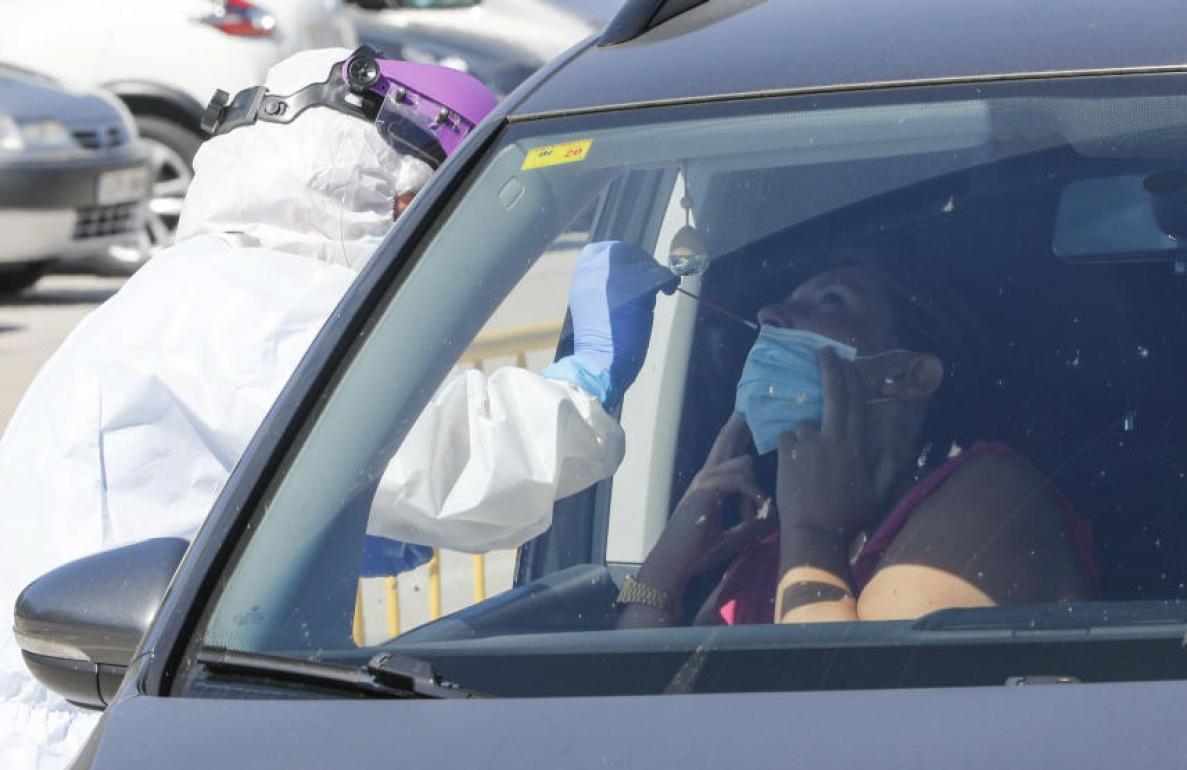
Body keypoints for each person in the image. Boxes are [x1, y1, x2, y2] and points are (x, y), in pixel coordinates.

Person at [0, 46, 673, 770]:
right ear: (387, 195)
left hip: (136, 701)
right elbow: (464, 459)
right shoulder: (252, 300)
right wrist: (589, 381)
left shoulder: (202, 285)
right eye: (426, 212)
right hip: (103, 730)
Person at [618, 254, 1098, 629]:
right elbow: (649, 708)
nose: (769, 314)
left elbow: (850, 715)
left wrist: (816, 537)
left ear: (910, 375)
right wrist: (669, 561)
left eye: (830, 301)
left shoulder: (991, 493)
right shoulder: (772, 541)